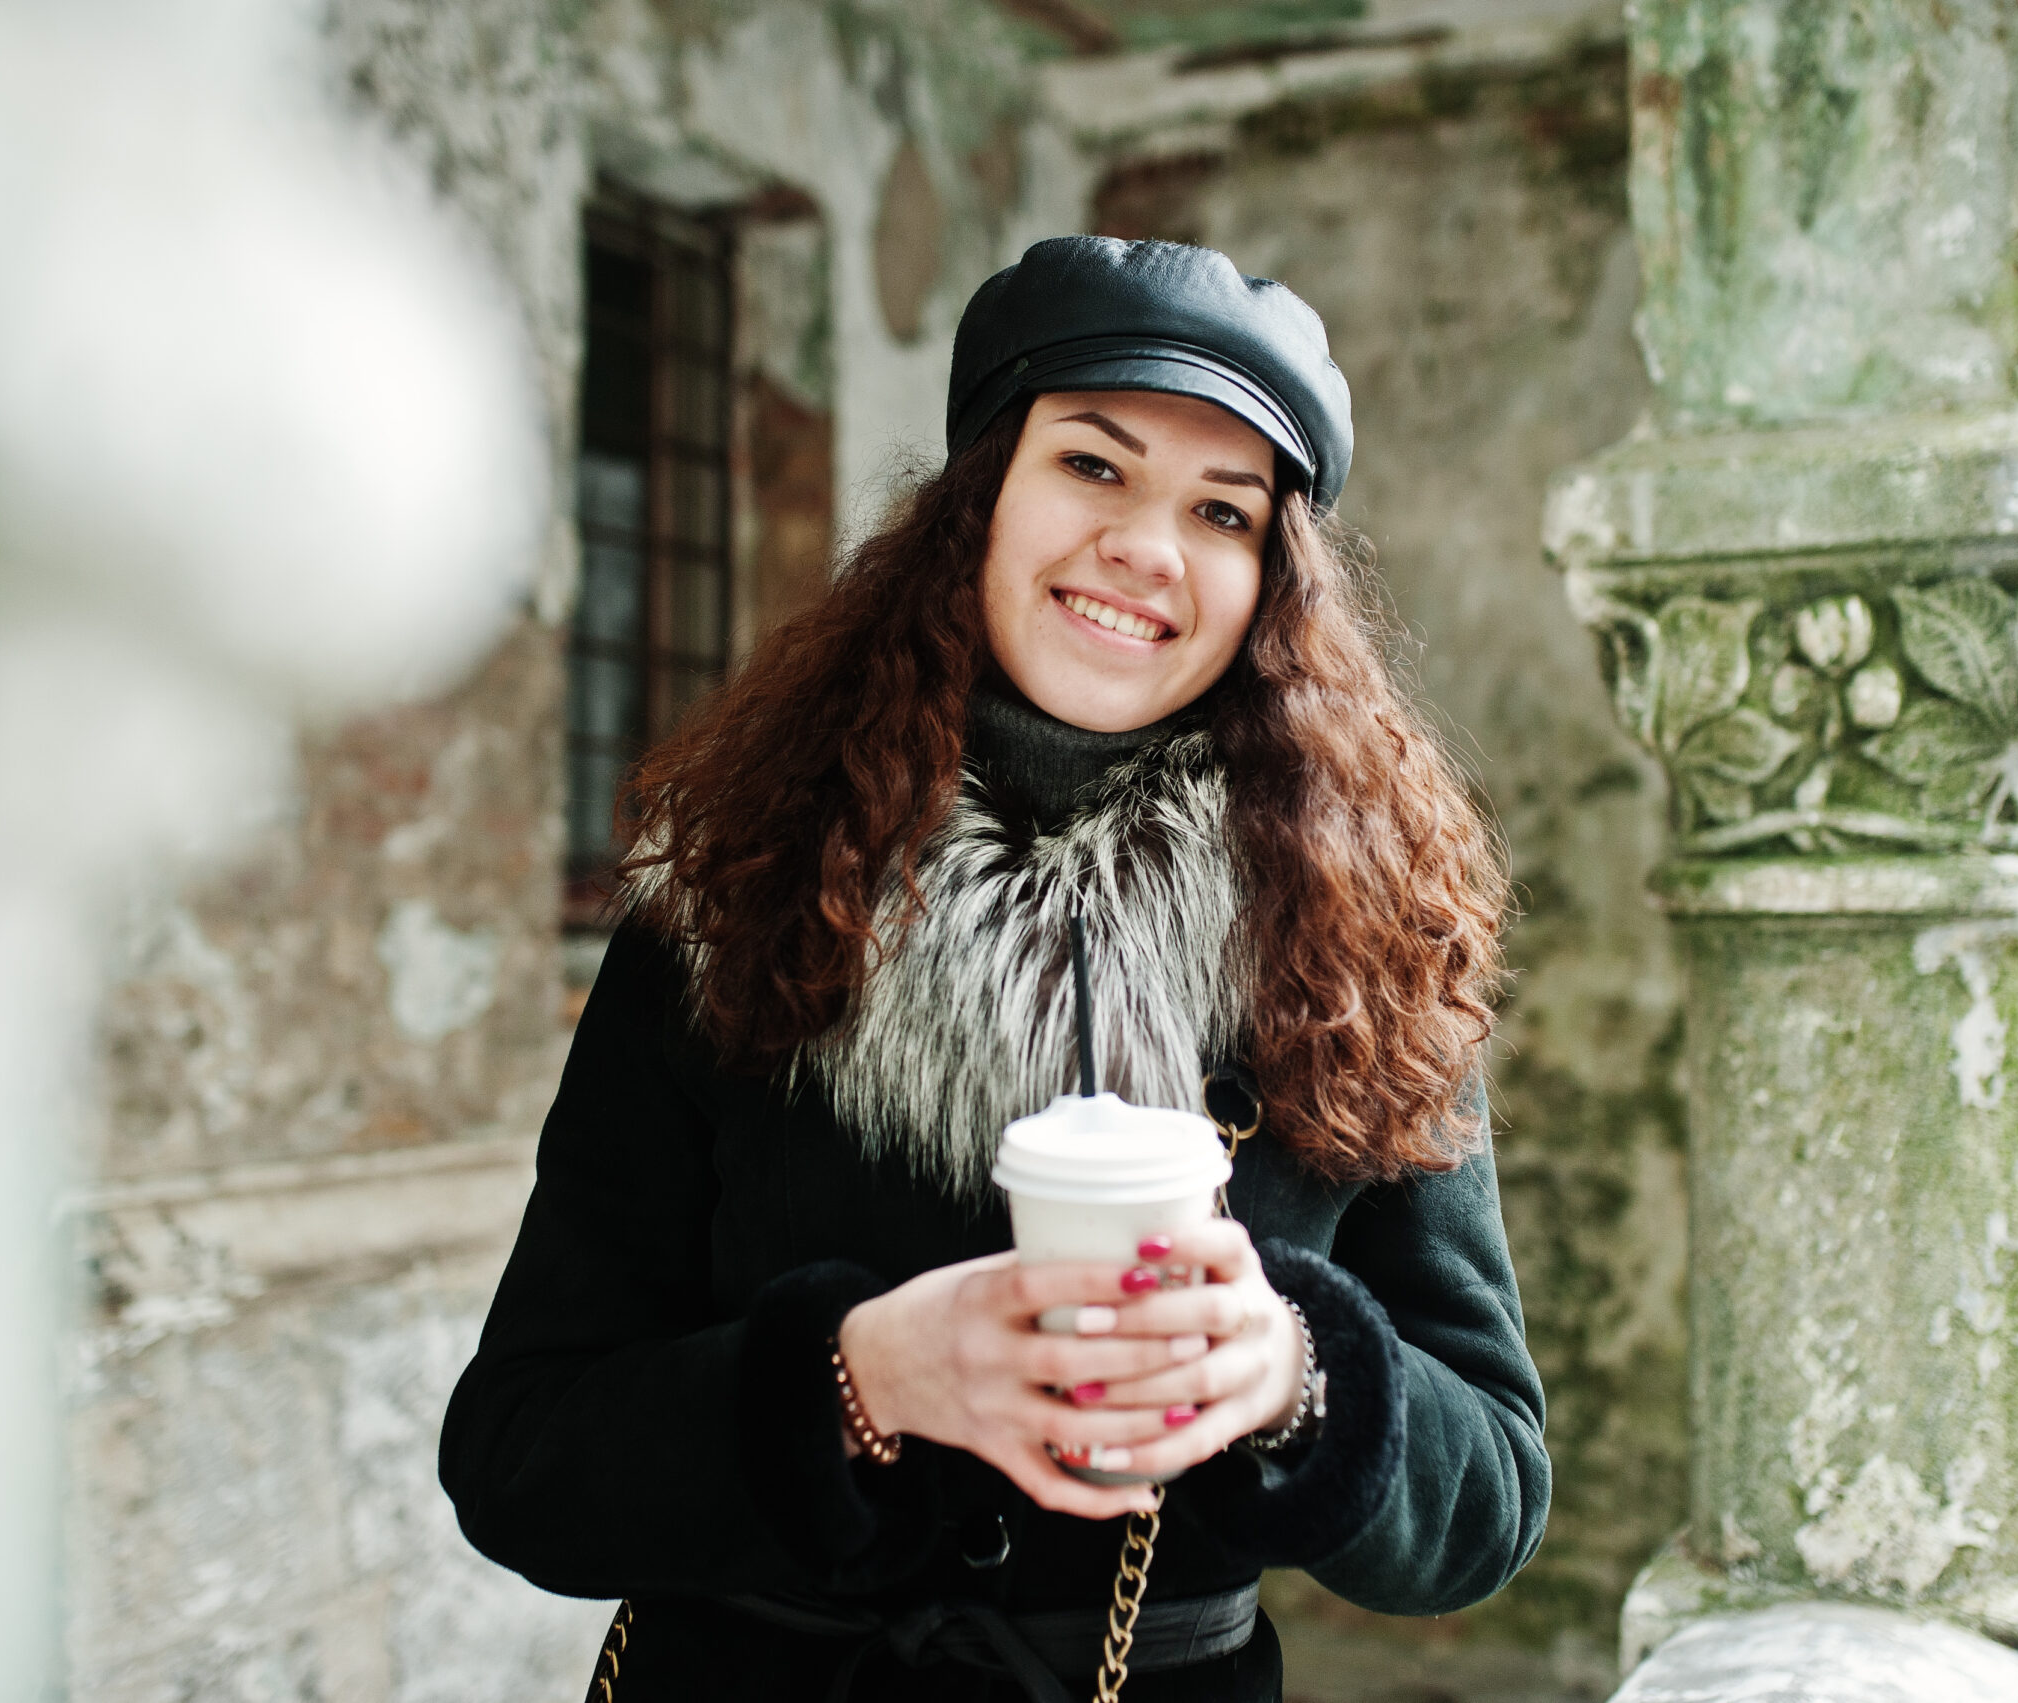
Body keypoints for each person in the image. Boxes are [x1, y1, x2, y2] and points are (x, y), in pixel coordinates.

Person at [439, 235, 1549, 1703]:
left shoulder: (1362, 943)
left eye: (1222, 511)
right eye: (1092, 465)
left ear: (1271, 581)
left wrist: (1292, 1374)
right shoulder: (729, 899)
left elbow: (1490, 1503)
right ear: (977, 500)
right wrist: (860, 1381)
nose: (1149, 548)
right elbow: (519, 1455)